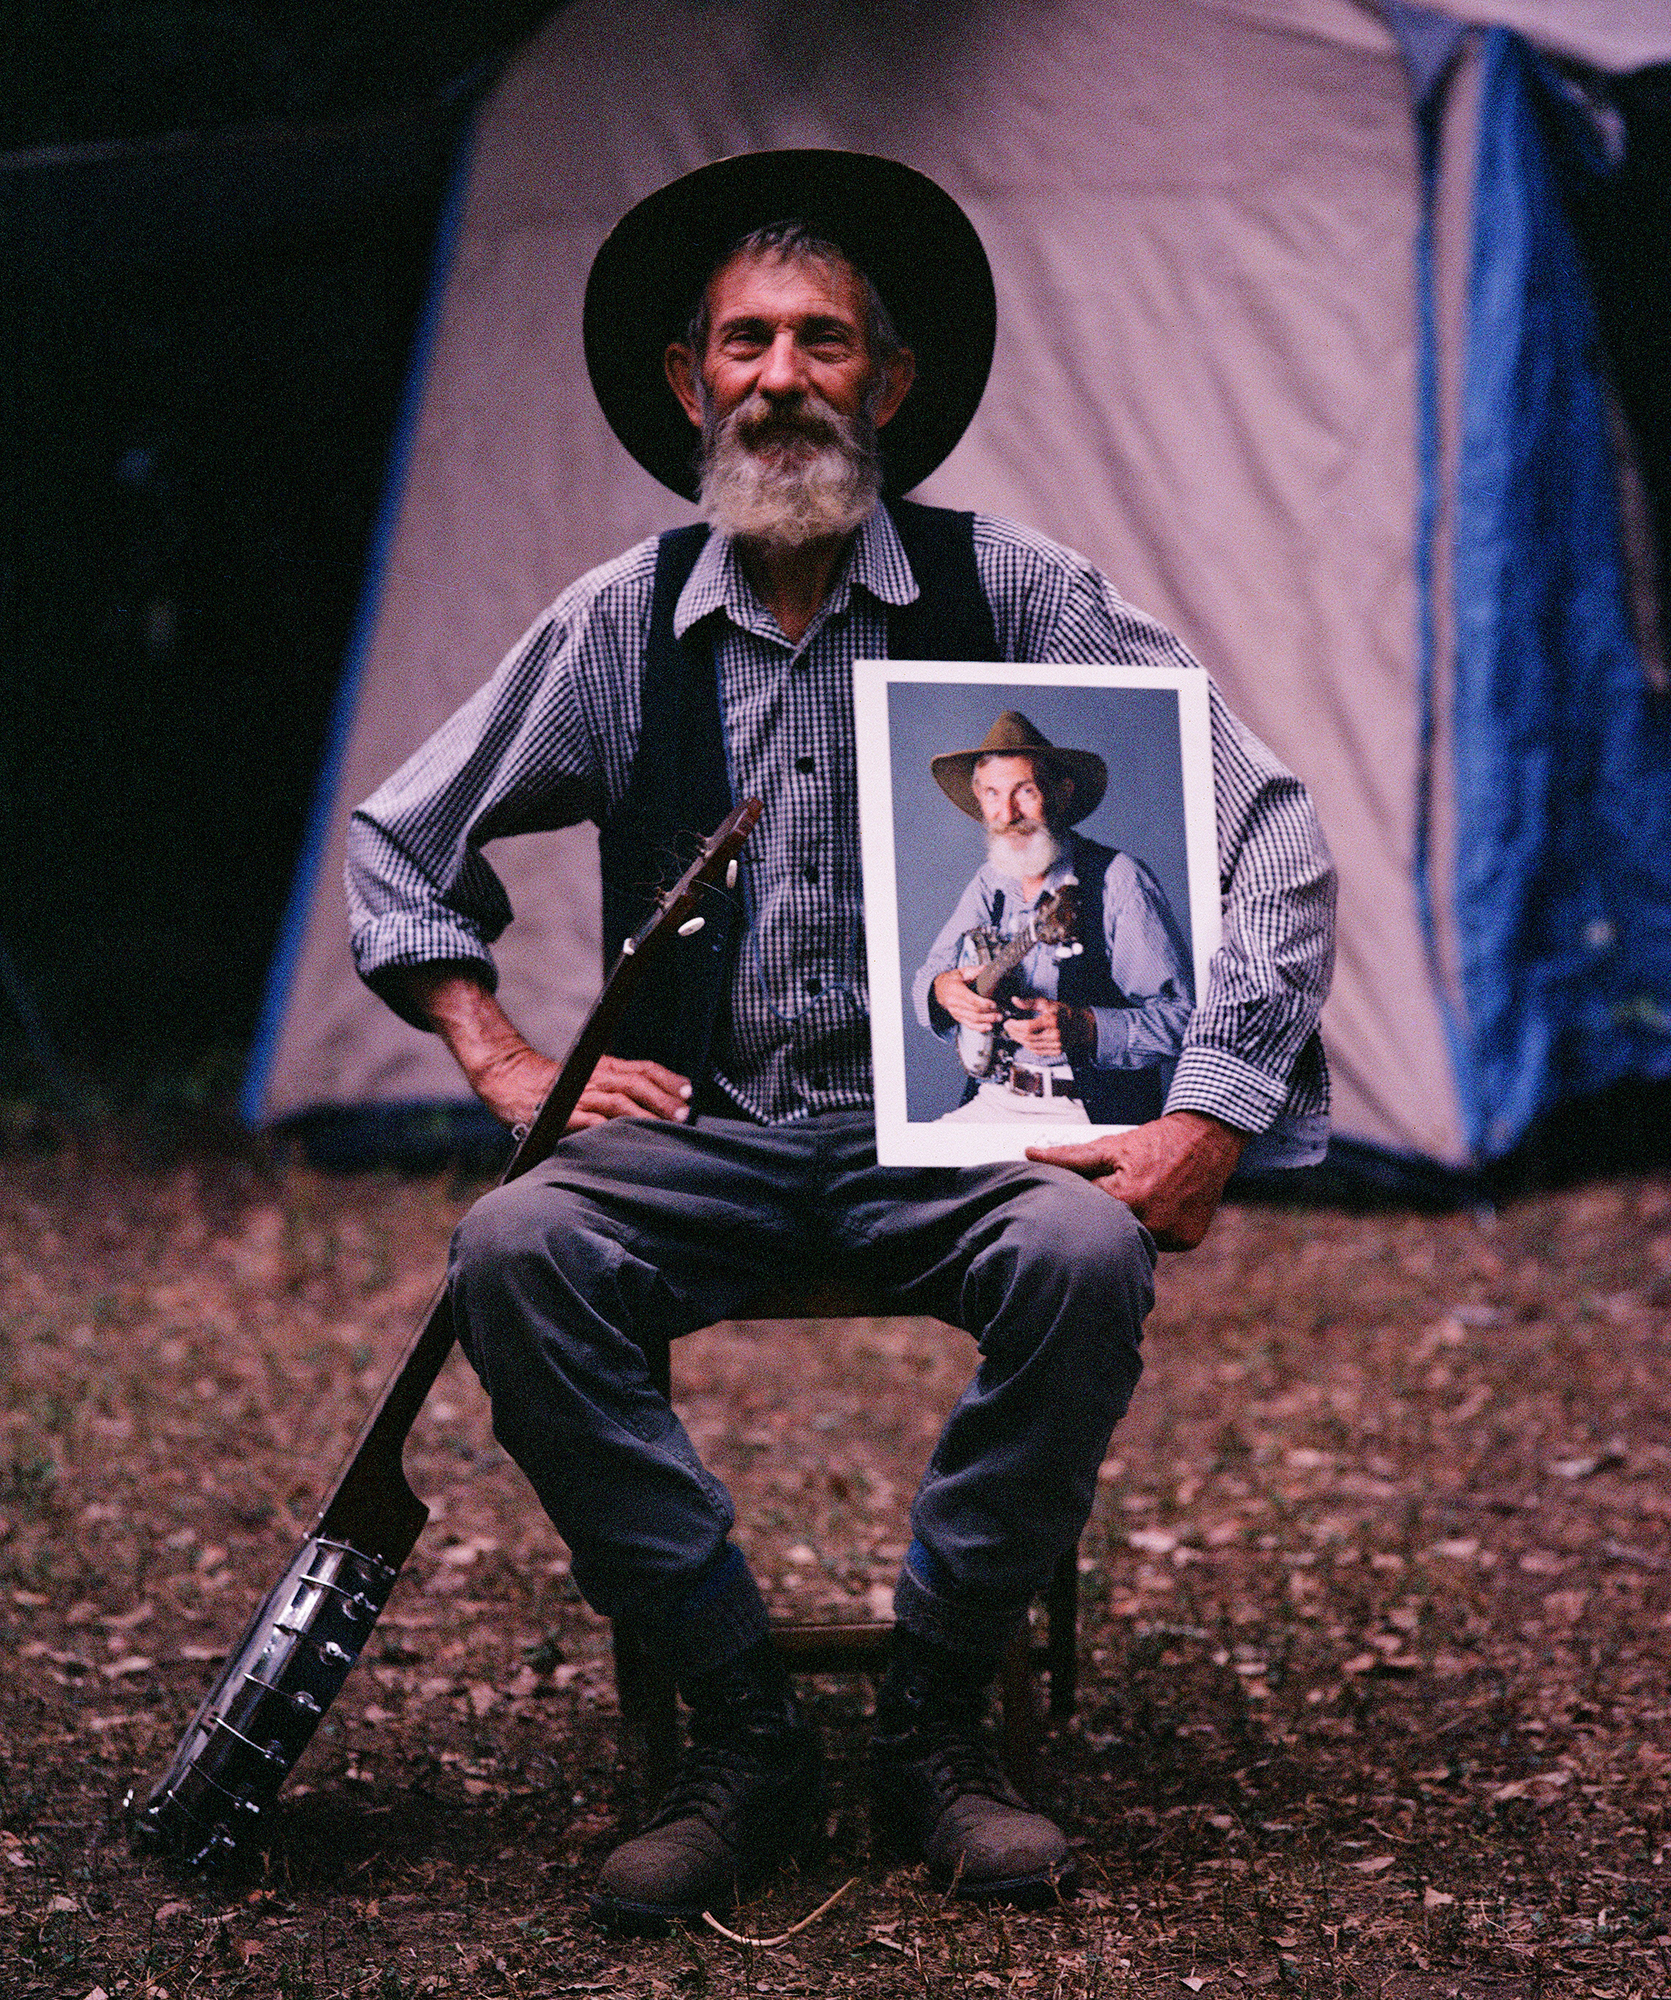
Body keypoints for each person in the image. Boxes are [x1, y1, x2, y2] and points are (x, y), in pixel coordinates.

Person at [346, 149, 1336, 1931]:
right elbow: (396, 844)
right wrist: (500, 1056)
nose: (781, 377)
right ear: (686, 382)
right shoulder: (615, 622)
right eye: (743, 342)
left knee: (1084, 1248)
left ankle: (938, 1719)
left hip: (960, 1148)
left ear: (887, 383)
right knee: (515, 1246)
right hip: (707, 1134)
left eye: (824, 342)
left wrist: (1214, 1111)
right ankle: (743, 1727)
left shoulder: (1011, 593)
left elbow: (1265, 825)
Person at [911, 710, 1194, 1125]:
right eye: (992, 793)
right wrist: (943, 991)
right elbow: (928, 977)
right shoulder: (990, 881)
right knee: (901, 1182)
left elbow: (1184, 1018)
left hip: (1088, 1111)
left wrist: (1088, 1028)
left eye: (1024, 792)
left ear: (1061, 793)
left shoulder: (1117, 880)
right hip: (994, 1100)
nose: (1006, 814)